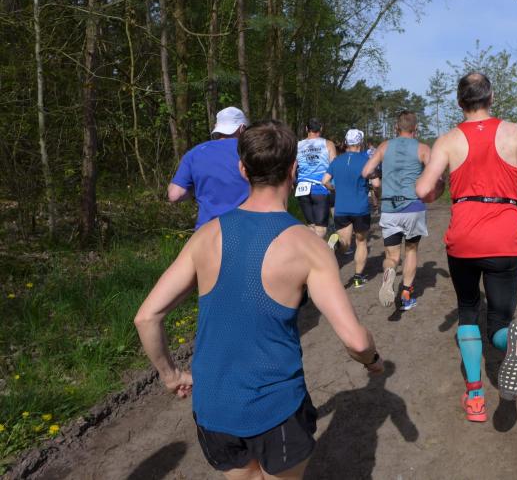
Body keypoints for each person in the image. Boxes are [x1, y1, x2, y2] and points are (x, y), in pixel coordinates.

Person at [134, 121, 384, 479]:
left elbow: (146, 317)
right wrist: (373, 362)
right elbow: (356, 341)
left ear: (242, 169)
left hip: (214, 407)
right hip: (276, 407)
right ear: (293, 170)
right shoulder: (308, 246)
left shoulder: (205, 236)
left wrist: (171, 375)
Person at [416, 71, 517, 423]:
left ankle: (475, 398)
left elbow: (424, 190)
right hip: (503, 237)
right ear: (491, 97)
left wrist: (441, 182)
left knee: (468, 309)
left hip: (463, 238)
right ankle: (510, 341)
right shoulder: (514, 132)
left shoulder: (447, 140)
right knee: (499, 321)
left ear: (459, 102)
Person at [361, 111, 431, 311]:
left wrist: (379, 177)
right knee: (411, 250)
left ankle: (390, 271)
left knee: (391, 256)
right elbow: (435, 175)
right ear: (416, 128)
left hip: (389, 208)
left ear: (395, 128)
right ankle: (406, 295)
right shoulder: (423, 148)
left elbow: (366, 172)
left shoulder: (384, 146)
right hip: (413, 206)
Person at [168, 106, 250, 230]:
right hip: (247, 229)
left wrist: (197, 188)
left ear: (217, 127)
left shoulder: (195, 153)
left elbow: (175, 195)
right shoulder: (253, 151)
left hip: (207, 232)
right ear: (242, 128)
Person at [322, 129, 371, 288]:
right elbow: (376, 183)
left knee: (345, 242)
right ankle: (357, 278)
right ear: (360, 142)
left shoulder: (337, 161)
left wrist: (333, 189)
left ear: (346, 143)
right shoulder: (366, 160)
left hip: (341, 207)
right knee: (361, 242)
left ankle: (336, 243)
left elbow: (324, 181)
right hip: (360, 208)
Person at [296, 118, 337, 238]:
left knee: (311, 226)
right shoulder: (328, 144)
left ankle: (312, 249)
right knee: (320, 229)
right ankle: (322, 249)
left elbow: (293, 166)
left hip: (302, 188)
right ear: (321, 129)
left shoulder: (298, 145)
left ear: (306, 129)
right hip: (320, 187)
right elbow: (334, 166)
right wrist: (334, 186)